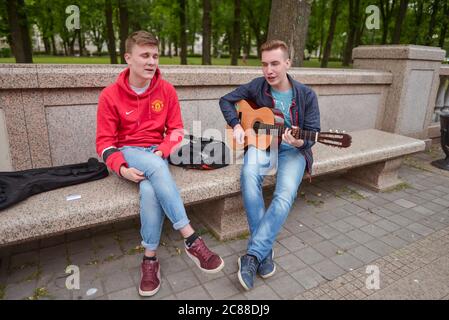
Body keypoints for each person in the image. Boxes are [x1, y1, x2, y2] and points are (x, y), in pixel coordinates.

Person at [96, 30, 224, 297]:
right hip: (129, 153)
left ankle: (150, 258)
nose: (151, 61)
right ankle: (190, 238)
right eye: (145, 55)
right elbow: (105, 143)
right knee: (155, 168)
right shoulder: (110, 96)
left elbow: (176, 130)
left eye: (155, 55)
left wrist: (162, 151)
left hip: (156, 153)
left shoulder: (166, 90)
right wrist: (121, 168)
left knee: (150, 189)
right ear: (128, 58)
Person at [219, 39, 320, 290]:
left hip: (292, 151)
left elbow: (313, 133)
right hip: (262, 143)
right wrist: (236, 125)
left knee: (285, 194)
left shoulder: (306, 95)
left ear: (288, 62)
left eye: (275, 63)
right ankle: (264, 252)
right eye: (264, 64)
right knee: (248, 175)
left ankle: (253, 256)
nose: (269, 70)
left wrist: (298, 144)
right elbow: (226, 100)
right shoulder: (258, 87)